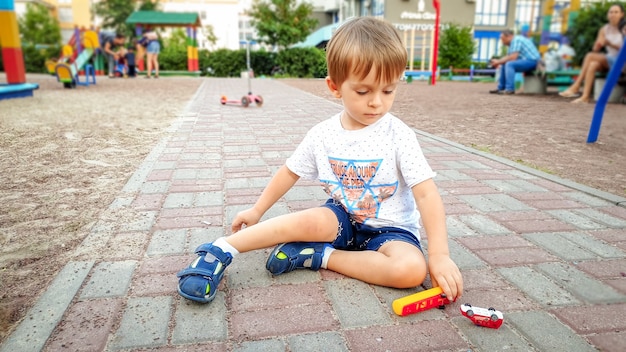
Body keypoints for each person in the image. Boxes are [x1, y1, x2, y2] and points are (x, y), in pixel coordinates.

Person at [176, 17, 464, 305]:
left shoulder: (398, 134)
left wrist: (439, 255)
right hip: (342, 218)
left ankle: (319, 256)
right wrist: (256, 209)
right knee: (308, 219)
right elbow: (289, 172)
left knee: (411, 270)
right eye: (363, 91)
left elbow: (426, 195)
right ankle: (219, 249)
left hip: (392, 231)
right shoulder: (323, 134)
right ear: (335, 86)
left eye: (388, 90)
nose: (377, 102)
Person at [559, 3, 625, 103]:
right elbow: (595, 49)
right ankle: (585, 97)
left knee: (590, 56)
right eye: (611, 12)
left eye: (616, 12)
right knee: (593, 64)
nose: (613, 14)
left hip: (621, 61)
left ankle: (576, 85)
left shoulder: (624, 28)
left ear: (622, 14)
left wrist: (610, 44)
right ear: (608, 15)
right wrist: (598, 45)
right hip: (609, 60)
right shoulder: (604, 29)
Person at [489, 29, 542, 95]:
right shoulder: (513, 43)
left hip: (533, 62)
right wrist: (498, 62)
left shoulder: (516, 40)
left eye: (502, 39)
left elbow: (512, 57)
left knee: (509, 64)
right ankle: (501, 88)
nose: (502, 41)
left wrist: (498, 62)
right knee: (504, 64)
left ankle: (510, 89)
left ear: (509, 36)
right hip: (527, 61)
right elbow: (508, 57)